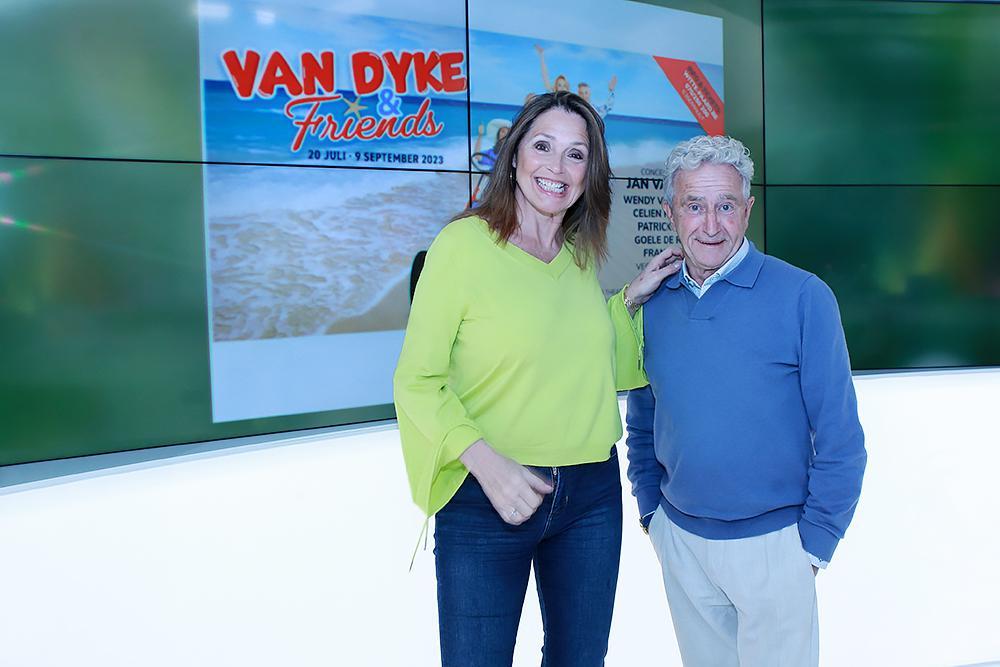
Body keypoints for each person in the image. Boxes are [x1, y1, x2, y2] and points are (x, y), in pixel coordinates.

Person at [393, 91, 682, 667]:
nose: (558, 167)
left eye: (576, 154)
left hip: (590, 496)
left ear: (589, 173)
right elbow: (417, 380)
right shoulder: (461, 246)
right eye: (543, 146)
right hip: (487, 493)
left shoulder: (578, 255)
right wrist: (488, 465)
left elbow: (587, 362)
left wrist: (629, 300)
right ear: (515, 153)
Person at [625, 134, 867, 666]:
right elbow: (643, 422)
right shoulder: (651, 303)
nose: (711, 225)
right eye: (694, 206)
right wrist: (651, 516)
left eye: (726, 206)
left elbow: (841, 438)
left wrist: (813, 545)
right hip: (681, 542)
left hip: (776, 548)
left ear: (748, 209)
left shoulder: (803, 296)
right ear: (670, 212)